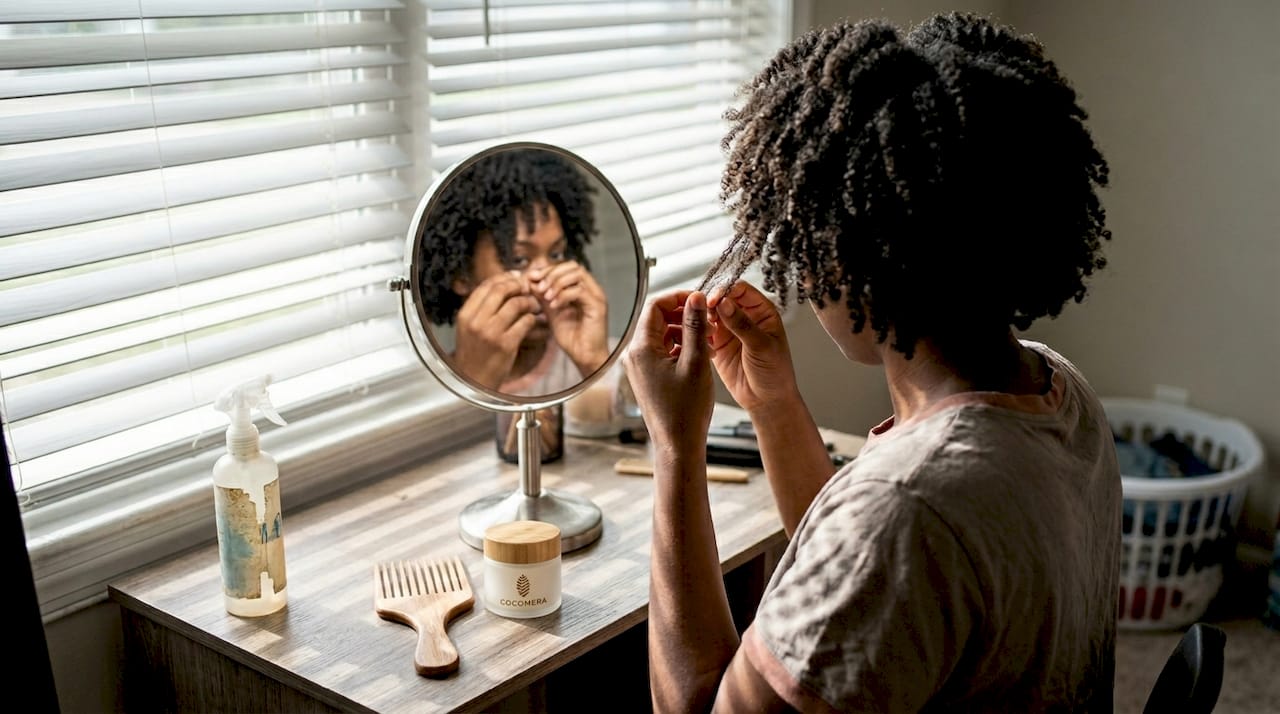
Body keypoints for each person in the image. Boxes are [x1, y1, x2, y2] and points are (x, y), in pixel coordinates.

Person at [623, 12, 1121, 713]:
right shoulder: (1058, 392)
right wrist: (774, 406)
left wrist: (674, 446)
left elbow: (697, 706)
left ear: (845, 257)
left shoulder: (907, 509)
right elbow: (860, 576)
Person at [418, 148, 609, 396]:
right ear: (461, 274)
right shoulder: (424, 391)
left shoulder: (598, 360)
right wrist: (478, 380)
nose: (544, 279)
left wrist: (594, 363)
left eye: (556, 254)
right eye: (518, 259)